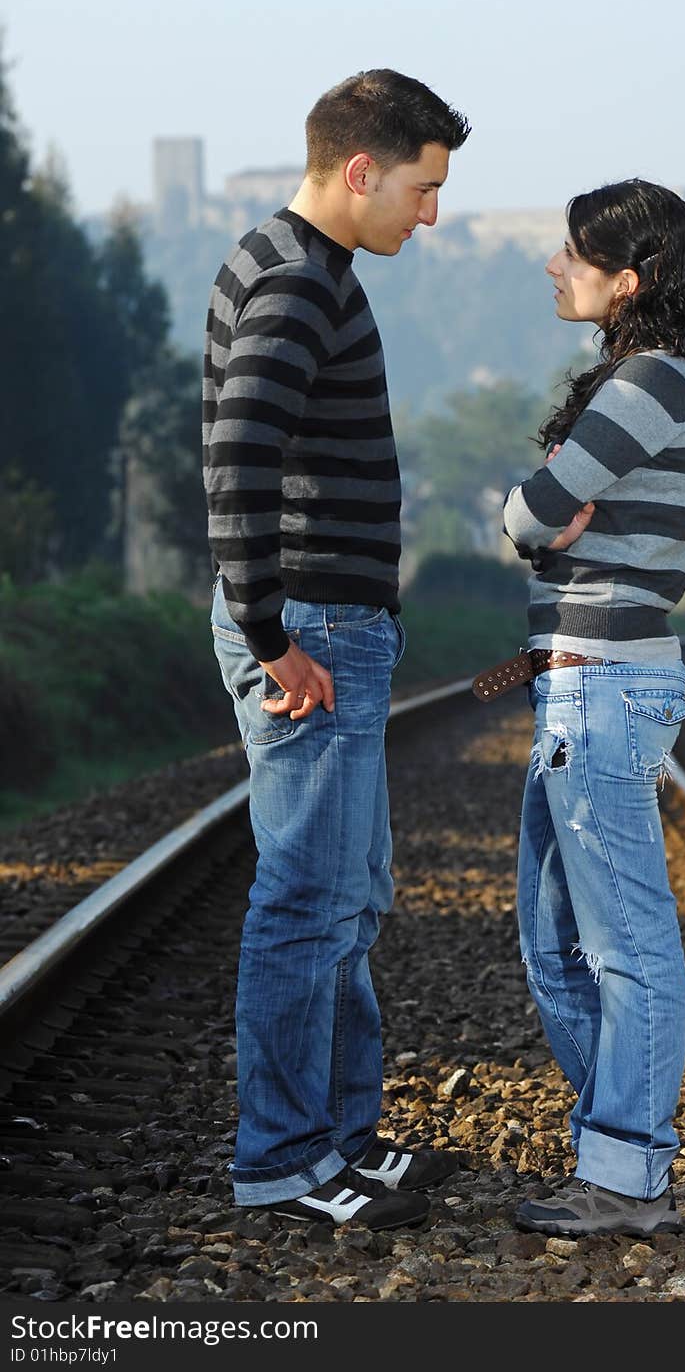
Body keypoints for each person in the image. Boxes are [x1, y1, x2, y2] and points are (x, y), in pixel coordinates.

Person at [203, 70, 470, 1231]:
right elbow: (237, 459)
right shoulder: (298, 283)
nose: (429, 214)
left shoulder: (293, 264)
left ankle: (342, 1141)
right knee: (308, 904)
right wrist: (270, 633)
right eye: (420, 188)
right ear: (360, 170)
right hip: (309, 628)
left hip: (324, 623)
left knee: (346, 898)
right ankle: (282, 1164)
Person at [497, 179, 685, 1237]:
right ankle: (614, 1142)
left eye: (572, 254)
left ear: (626, 278)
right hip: (581, 679)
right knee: (554, 939)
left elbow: (525, 516)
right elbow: (540, 523)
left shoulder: (648, 384)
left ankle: (626, 1173)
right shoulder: (649, 382)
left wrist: (544, 507)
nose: (554, 265)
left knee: (626, 944)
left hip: (604, 682)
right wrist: (546, 516)